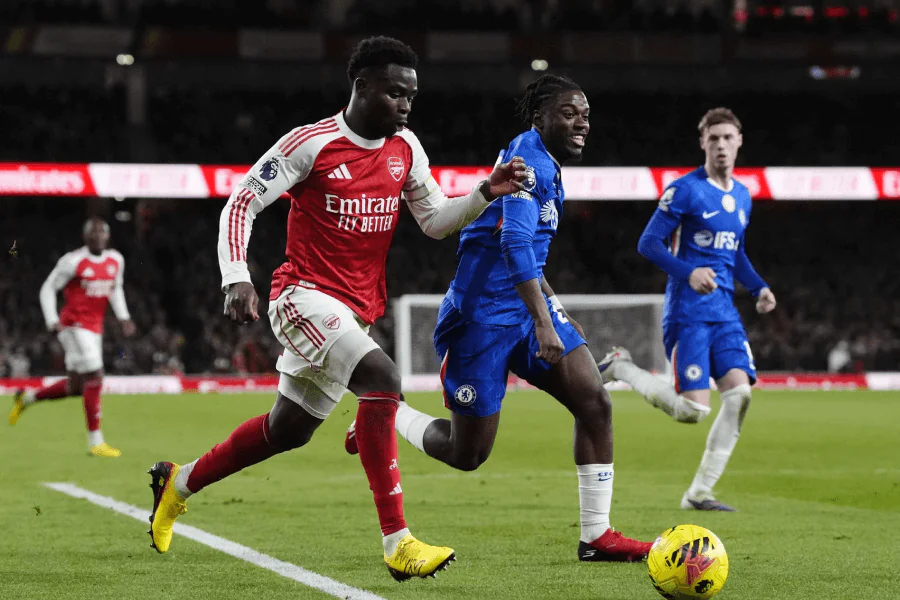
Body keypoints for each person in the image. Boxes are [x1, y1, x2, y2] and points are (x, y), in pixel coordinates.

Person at [145, 36, 528, 581]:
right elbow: (241, 202)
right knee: (382, 377)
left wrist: (486, 192)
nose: (405, 105)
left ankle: (177, 484)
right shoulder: (312, 143)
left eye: (411, 97)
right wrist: (236, 276)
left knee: (288, 430)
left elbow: (436, 220)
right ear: (362, 86)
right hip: (300, 296)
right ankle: (398, 542)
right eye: (395, 93)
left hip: (355, 309)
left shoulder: (407, 150)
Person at [346, 75, 653, 562]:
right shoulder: (528, 161)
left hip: (524, 309)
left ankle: (596, 536)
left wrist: (552, 306)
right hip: (479, 322)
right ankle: (386, 417)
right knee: (467, 455)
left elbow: (529, 249)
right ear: (539, 118)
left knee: (594, 400)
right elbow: (512, 245)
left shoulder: (546, 161)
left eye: (586, 115)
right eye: (570, 114)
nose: (582, 124)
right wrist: (546, 322)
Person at [598, 107, 777, 512]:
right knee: (693, 410)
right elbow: (648, 243)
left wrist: (758, 287)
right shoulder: (685, 190)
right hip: (689, 311)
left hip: (725, 313)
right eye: (713, 138)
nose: (721, 145)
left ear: (739, 141)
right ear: (703, 143)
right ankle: (621, 367)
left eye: (728, 137)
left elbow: (737, 253)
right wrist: (689, 271)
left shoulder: (744, 195)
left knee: (740, 396)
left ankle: (699, 493)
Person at [9, 218, 135, 457]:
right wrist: (51, 319)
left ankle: (27, 398)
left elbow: (115, 288)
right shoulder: (73, 261)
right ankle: (96, 442)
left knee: (76, 386)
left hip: (94, 327)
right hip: (73, 325)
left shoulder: (116, 260)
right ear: (85, 237)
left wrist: (123, 316)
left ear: (107, 237)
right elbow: (47, 288)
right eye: (93, 233)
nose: (98, 236)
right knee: (95, 375)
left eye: (102, 233)